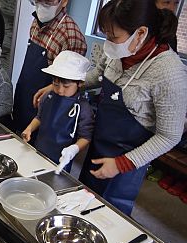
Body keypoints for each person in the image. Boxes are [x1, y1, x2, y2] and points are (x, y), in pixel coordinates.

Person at [74, 0, 186, 216]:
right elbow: (98, 75)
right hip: (98, 147)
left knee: (109, 217)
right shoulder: (117, 53)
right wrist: (67, 84)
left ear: (141, 33)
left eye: (113, 37)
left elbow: (169, 136)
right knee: (83, 203)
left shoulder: (169, 72)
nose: (108, 42)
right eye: (105, 34)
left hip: (128, 161)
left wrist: (121, 164)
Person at [11, 0, 87, 144]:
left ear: (64, 2)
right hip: (24, 98)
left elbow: (69, 87)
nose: (41, 5)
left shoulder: (71, 36)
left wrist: (53, 87)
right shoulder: (36, 22)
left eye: (47, 2)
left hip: (45, 112)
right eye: (37, 1)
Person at [21, 51, 94, 174]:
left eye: (66, 87)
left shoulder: (83, 108)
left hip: (61, 159)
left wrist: (73, 150)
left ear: (80, 83)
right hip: (40, 150)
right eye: (55, 84)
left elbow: (85, 137)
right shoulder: (47, 96)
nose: (60, 90)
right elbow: (39, 117)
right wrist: (29, 129)